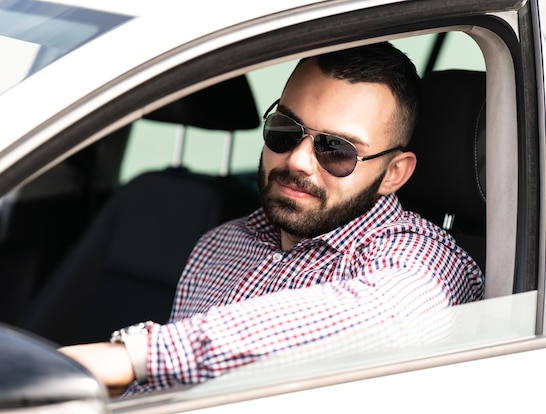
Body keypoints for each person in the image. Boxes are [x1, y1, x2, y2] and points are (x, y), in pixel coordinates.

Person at [60, 42, 484, 395]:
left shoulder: (424, 258)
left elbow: (392, 314)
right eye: (286, 129)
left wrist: (135, 357)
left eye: (337, 150)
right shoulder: (222, 243)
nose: (298, 160)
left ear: (394, 173)